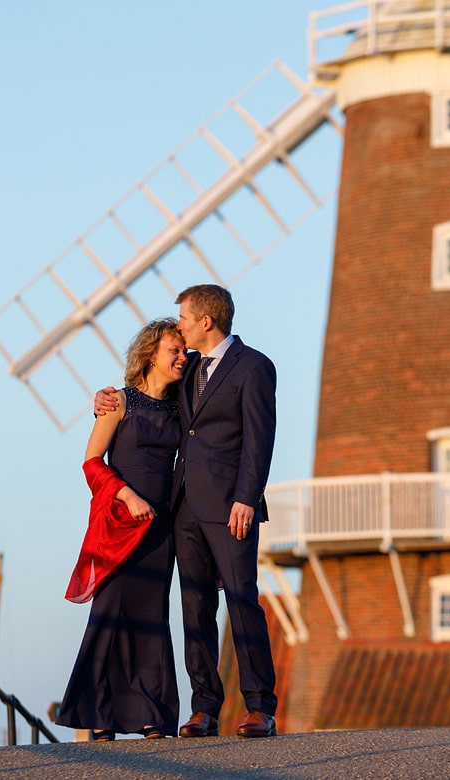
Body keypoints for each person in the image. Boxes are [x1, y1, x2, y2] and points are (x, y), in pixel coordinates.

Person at [96, 284, 279, 739]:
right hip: (182, 508)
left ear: (205, 322)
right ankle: (205, 708)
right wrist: (106, 400)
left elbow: (260, 438)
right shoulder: (188, 366)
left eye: (182, 318)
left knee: (241, 600)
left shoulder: (254, 367)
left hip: (230, 506)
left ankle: (260, 706)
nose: (178, 326)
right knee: (194, 605)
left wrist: (247, 496)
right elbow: (148, 395)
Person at [56, 318, 187, 741]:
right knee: (110, 616)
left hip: (161, 528)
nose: (182, 357)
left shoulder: (181, 404)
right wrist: (126, 495)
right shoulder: (119, 402)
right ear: (151, 354)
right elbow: (92, 461)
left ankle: (152, 714)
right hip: (119, 525)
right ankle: (101, 715)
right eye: (174, 350)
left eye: (184, 350)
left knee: (152, 617)